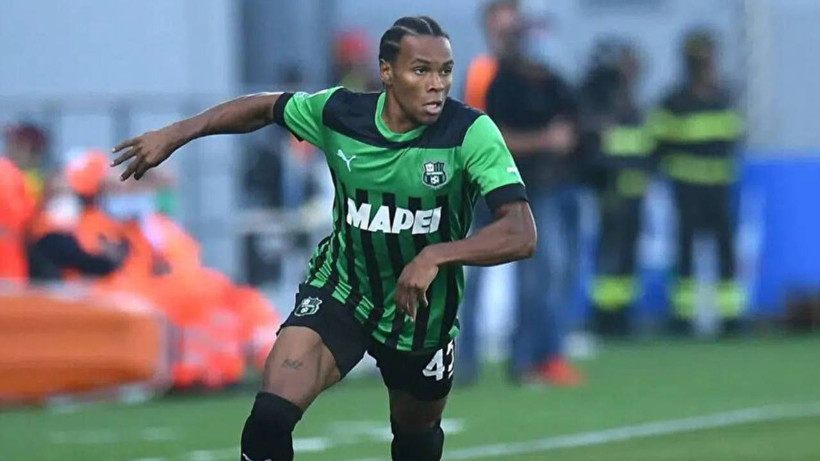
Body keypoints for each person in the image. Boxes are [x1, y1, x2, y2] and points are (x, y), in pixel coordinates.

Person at [111, 16, 536, 461]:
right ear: (387, 72)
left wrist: (436, 255)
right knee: (270, 416)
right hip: (343, 291)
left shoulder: (469, 132)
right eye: (421, 70)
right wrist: (175, 133)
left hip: (422, 313)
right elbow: (265, 107)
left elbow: (521, 232)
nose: (437, 85)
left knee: (416, 439)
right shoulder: (340, 114)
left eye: (445, 71)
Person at [485, 16, 584, 386]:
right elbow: (497, 138)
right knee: (536, 277)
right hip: (527, 192)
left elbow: (574, 128)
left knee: (561, 274)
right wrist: (545, 140)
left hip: (562, 186)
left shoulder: (556, 84)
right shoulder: (505, 86)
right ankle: (528, 358)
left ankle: (550, 353)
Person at [649, 30, 744, 336]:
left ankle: (730, 316)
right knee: (686, 249)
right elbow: (658, 144)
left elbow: (733, 138)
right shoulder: (674, 101)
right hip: (686, 187)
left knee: (725, 249)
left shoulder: (724, 96)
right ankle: (683, 316)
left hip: (720, 186)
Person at [456, 0, 522, 386]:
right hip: (485, 185)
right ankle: (464, 358)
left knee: (529, 273)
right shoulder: (482, 72)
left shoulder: (526, 69)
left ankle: (525, 357)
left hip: (520, 181)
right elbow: (477, 127)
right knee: (474, 272)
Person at [578, 40, 655, 337]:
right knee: (611, 254)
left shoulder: (626, 100)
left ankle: (622, 314)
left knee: (626, 255)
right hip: (612, 191)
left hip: (632, 191)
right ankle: (606, 316)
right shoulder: (601, 100)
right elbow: (597, 149)